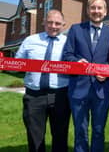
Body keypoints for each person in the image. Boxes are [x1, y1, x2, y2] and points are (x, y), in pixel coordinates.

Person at [62, 0, 109, 152]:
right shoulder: (75, 29)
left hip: (101, 90)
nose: (96, 11)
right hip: (78, 89)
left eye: (100, 8)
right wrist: (76, 63)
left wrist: (106, 71)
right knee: (80, 131)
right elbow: (67, 55)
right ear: (87, 10)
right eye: (93, 7)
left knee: (99, 131)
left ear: (105, 12)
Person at [15, 9, 70, 152]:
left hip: (61, 95)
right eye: (50, 22)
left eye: (57, 23)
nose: (53, 26)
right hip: (34, 95)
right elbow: (16, 64)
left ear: (64, 25)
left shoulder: (69, 43)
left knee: (60, 135)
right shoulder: (30, 40)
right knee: (35, 136)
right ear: (44, 22)